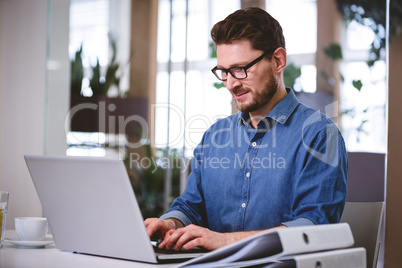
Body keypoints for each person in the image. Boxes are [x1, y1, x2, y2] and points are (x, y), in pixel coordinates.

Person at [145, 7, 347, 252]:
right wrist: (170, 223)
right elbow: (191, 207)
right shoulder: (214, 136)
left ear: (278, 61)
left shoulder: (320, 135)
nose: (231, 84)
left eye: (240, 69)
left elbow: (313, 227)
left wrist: (225, 241)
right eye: (224, 72)